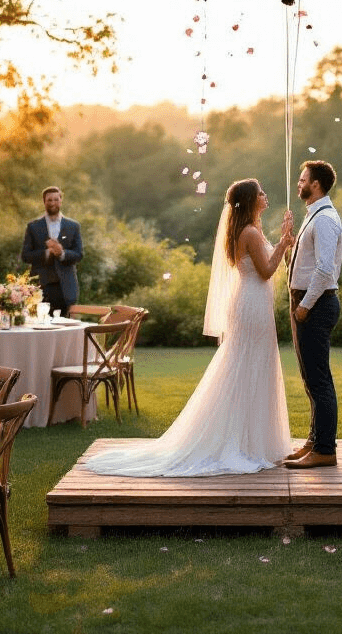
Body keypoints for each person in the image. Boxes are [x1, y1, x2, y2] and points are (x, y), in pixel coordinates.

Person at [84, 178, 293, 477]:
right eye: (260, 192)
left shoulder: (249, 230)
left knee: (252, 365)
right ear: (250, 200)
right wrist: (283, 243)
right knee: (250, 365)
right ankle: (244, 443)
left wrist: (283, 243)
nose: (265, 195)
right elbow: (267, 271)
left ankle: (252, 440)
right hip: (251, 305)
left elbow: (267, 267)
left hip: (251, 302)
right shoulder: (249, 232)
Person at [284, 159, 342, 469]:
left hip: (316, 305)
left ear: (316, 184)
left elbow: (324, 270)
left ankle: (324, 449)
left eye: (303, 179)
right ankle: (314, 441)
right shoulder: (314, 215)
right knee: (311, 379)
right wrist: (288, 244)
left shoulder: (324, 219)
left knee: (319, 380)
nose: (299, 184)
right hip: (308, 303)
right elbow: (305, 266)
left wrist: (304, 306)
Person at [21, 186, 83, 317]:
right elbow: (25, 256)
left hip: (65, 288)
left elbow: (79, 254)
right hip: (40, 287)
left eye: (56, 199)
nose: (53, 203)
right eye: (49, 200)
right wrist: (47, 253)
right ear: (44, 202)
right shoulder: (33, 226)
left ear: (61, 201)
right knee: (39, 324)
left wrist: (62, 253)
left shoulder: (73, 226)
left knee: (65, 325)